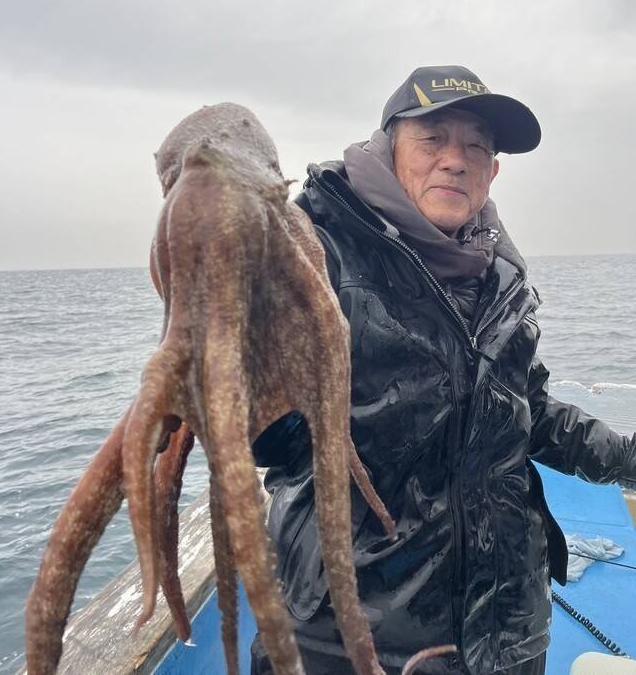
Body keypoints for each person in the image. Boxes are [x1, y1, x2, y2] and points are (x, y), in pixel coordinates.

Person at [250, 66, 636, 675]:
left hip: (508, 620)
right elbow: (265, 434)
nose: (455, 160)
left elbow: (524, 410)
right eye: (432, 139)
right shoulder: (307, 250)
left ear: (493, 170)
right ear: (389, 147)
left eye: (476, 145)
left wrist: (629, 458)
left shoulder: (498, 273)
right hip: (353, 627)